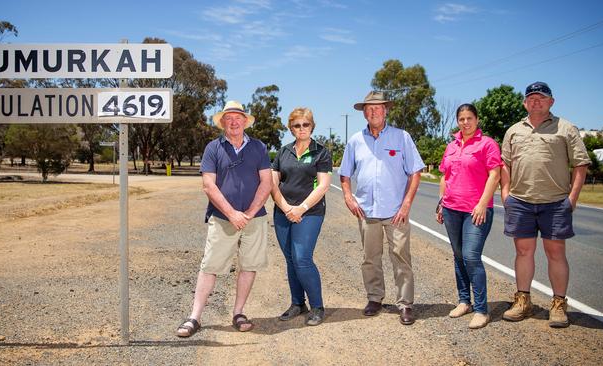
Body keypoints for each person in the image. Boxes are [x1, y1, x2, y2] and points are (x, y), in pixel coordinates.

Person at [176, 101, 272, 337]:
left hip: (254, 219)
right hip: (222, 218)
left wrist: (248, 213)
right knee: (210, 266)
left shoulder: (259, 147)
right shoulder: (213, 148)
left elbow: (267, 182)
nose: (234, 122)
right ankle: (194, 317)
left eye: (238, 117)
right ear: (222, 123)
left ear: (245, 121)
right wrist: (231, 213)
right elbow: (208, 185)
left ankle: (239, 313)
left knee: (249, 266)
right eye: (228, 118)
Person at [500, 82, 590, 328]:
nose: (536, 101)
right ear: (524, 103)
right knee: (523, 252)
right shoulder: (514, 131)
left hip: (555, 202)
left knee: (555, 253)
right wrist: (506, 193)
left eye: (541, 98)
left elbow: (580, 165)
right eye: (531, 98)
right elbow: (504, 164)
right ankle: (523, 301)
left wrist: (571, 199)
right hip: (520, 201)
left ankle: (559, 304)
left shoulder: (566, 128)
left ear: (551, 101)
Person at [339, 91, 425, 325]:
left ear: (386, 110)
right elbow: (345, 173)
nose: (373, 111)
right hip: (367, 212)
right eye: (369, 108)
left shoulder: (402, 137)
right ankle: (375, 298)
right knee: (370, 258)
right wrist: (348, 196)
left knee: (401, 257)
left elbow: (415, 171)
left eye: (378, 107)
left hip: (397, 211)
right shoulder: (356, 140)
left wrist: (407, 203)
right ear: (364, 112)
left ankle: (405, 304)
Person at [435, 103, 502, 329]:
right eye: (461, 119)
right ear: (458, 121)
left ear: (477, 119)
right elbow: (445, 176)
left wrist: (483, 204)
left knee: (471, 256)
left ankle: (482, 310)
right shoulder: (451, 145)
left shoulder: (488, 144)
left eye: (469, 118)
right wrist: (441, 203)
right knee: (458, 255)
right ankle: (464, 301)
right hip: (452, 208)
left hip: (476, 210)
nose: (465, 122)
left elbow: (495, 175)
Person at [270, 107, 332, 326]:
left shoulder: (321, 151)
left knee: (302, 259)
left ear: (312, 126)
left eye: (305, 124)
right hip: (283, 212)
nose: (301, 128)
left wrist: (301, 208)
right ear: (291, 128)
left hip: (310, 213)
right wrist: (286, 207)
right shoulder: (283, 152)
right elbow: (273, 183)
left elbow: (324, 185)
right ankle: (298, 303)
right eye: (297, 125)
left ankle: (317, 306)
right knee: (290, 259)